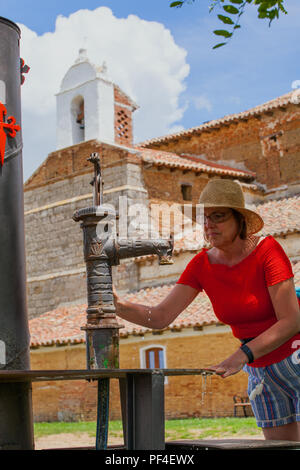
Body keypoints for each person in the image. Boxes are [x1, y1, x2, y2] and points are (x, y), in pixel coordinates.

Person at [113, 179, 300, 441]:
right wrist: (116, 305)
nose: (209, 224)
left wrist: (241, 355)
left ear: (240, 220)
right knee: (282, 449)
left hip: (295, 359)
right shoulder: (201, 264)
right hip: (261, 372)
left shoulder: (268, 251)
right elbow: (160, 317)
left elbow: (291, 321)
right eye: (205, 218)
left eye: (218, 216)